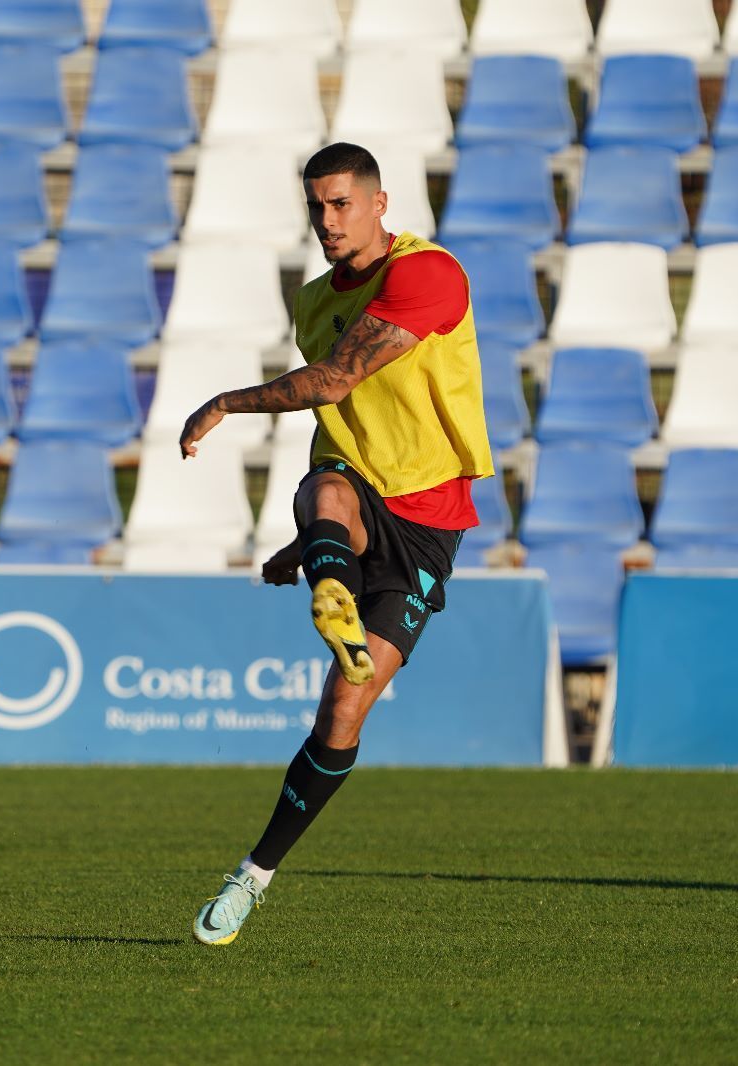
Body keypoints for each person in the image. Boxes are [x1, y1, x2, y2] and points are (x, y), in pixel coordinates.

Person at [179, 142, 495, 946]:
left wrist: (225, 401)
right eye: (315, 206)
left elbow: (334, 382)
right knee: (323, 487)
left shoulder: (428, 274)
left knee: (342, 710)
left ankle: (260, 869)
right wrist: (312, 544)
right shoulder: (314, 299)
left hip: (426, 522)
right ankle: (334, 589)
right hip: (353, 486)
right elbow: (338, 428)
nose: (325, 221)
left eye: (340, 204)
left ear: (380, 203)